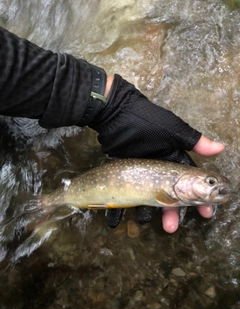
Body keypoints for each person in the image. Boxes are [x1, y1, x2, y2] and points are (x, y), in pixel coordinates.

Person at [0, 26, 224, 233]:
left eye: (211, 182)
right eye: (210, 182)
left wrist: (110, 105)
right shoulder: (170, 191)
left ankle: (43, 203)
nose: (213, 186)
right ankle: (45, 202)